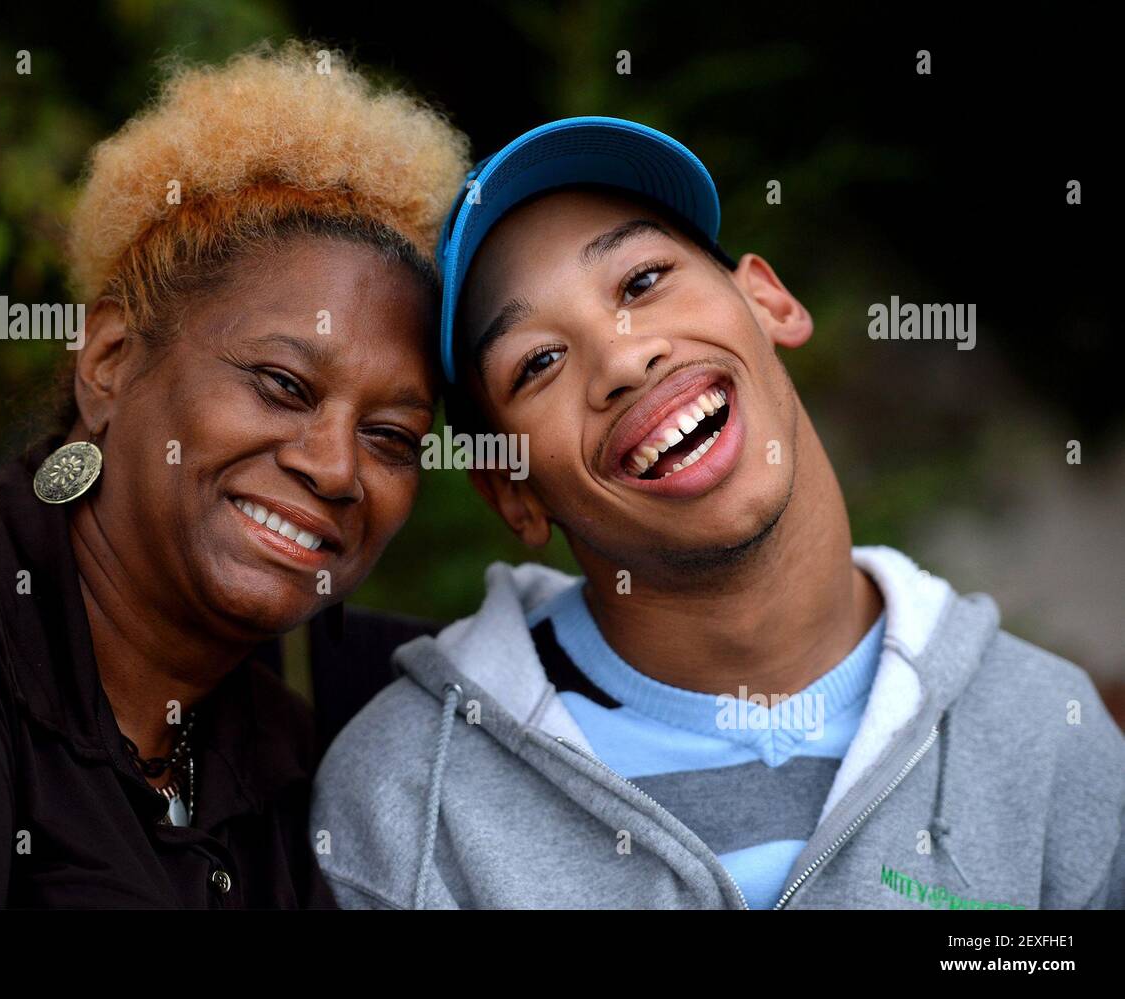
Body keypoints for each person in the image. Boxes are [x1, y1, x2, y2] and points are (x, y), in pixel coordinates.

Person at [309, 116, 1125, 909]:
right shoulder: (410, 806)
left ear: (769, 302)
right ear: (513, 493)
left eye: (642, 281)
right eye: (540, 361)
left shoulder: (1049, 737)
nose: (626, 357)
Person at [0, 40, 469, 908]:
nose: (335, 465)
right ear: (110, 362)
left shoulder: (308, 731)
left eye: (391, 435)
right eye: (283, 385)